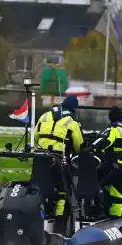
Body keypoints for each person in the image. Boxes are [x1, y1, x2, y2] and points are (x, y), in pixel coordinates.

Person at [31, 94, 85, 230]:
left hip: (40, 158)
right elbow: (79, 144)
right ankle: (60, 224)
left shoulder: (44, 116)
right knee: (63, 190)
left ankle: (41, 214)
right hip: (58, 160)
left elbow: (36, 136)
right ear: (74, 109)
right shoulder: (71, 121)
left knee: (38, 188)